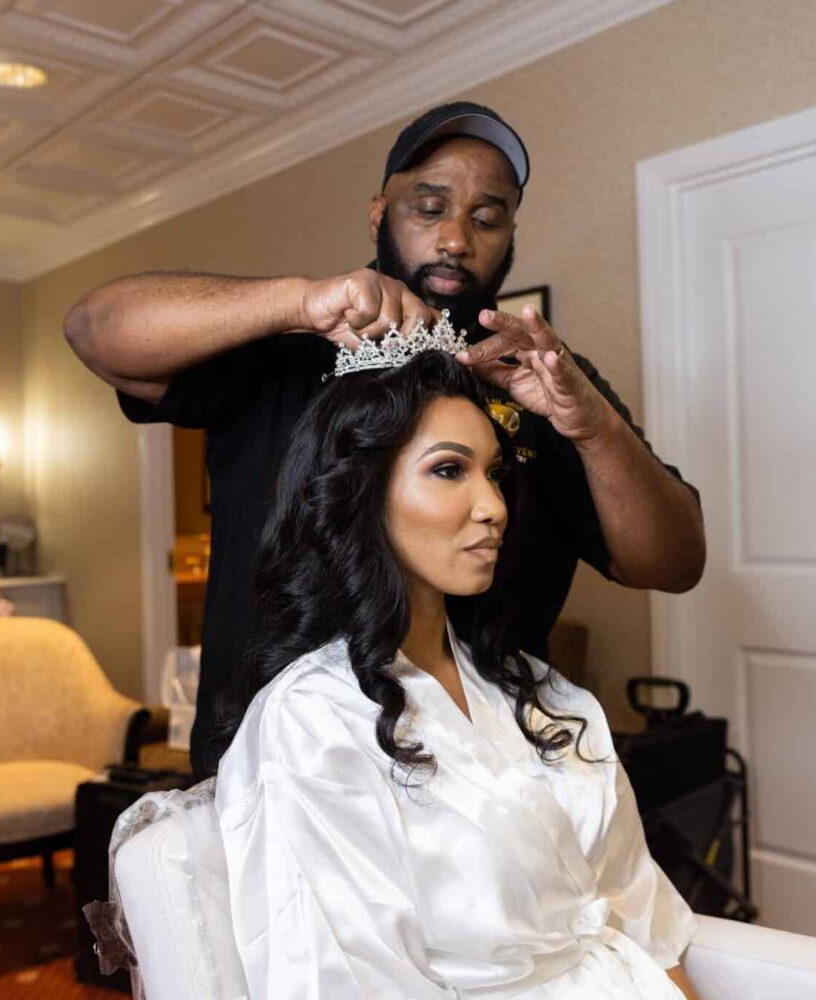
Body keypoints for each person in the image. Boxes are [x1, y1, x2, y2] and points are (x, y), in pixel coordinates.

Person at [64, 101, 705, 779]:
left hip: (476, 782)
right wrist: (299, 304)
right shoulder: (282, 347)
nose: (456, 238)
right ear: (378, 213)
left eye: (486, 218)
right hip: (276, 773)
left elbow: (674, 563)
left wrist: (592, 427)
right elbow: (92, 329)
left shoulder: (548, 381)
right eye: (430, 208)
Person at [211, 342, 702, 999]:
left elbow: (647, 929)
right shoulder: (314, 721)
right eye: (449, 471)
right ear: (361, 492)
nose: (494, 506)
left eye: (494, 474)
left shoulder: (541, 693)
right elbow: (340, 981)